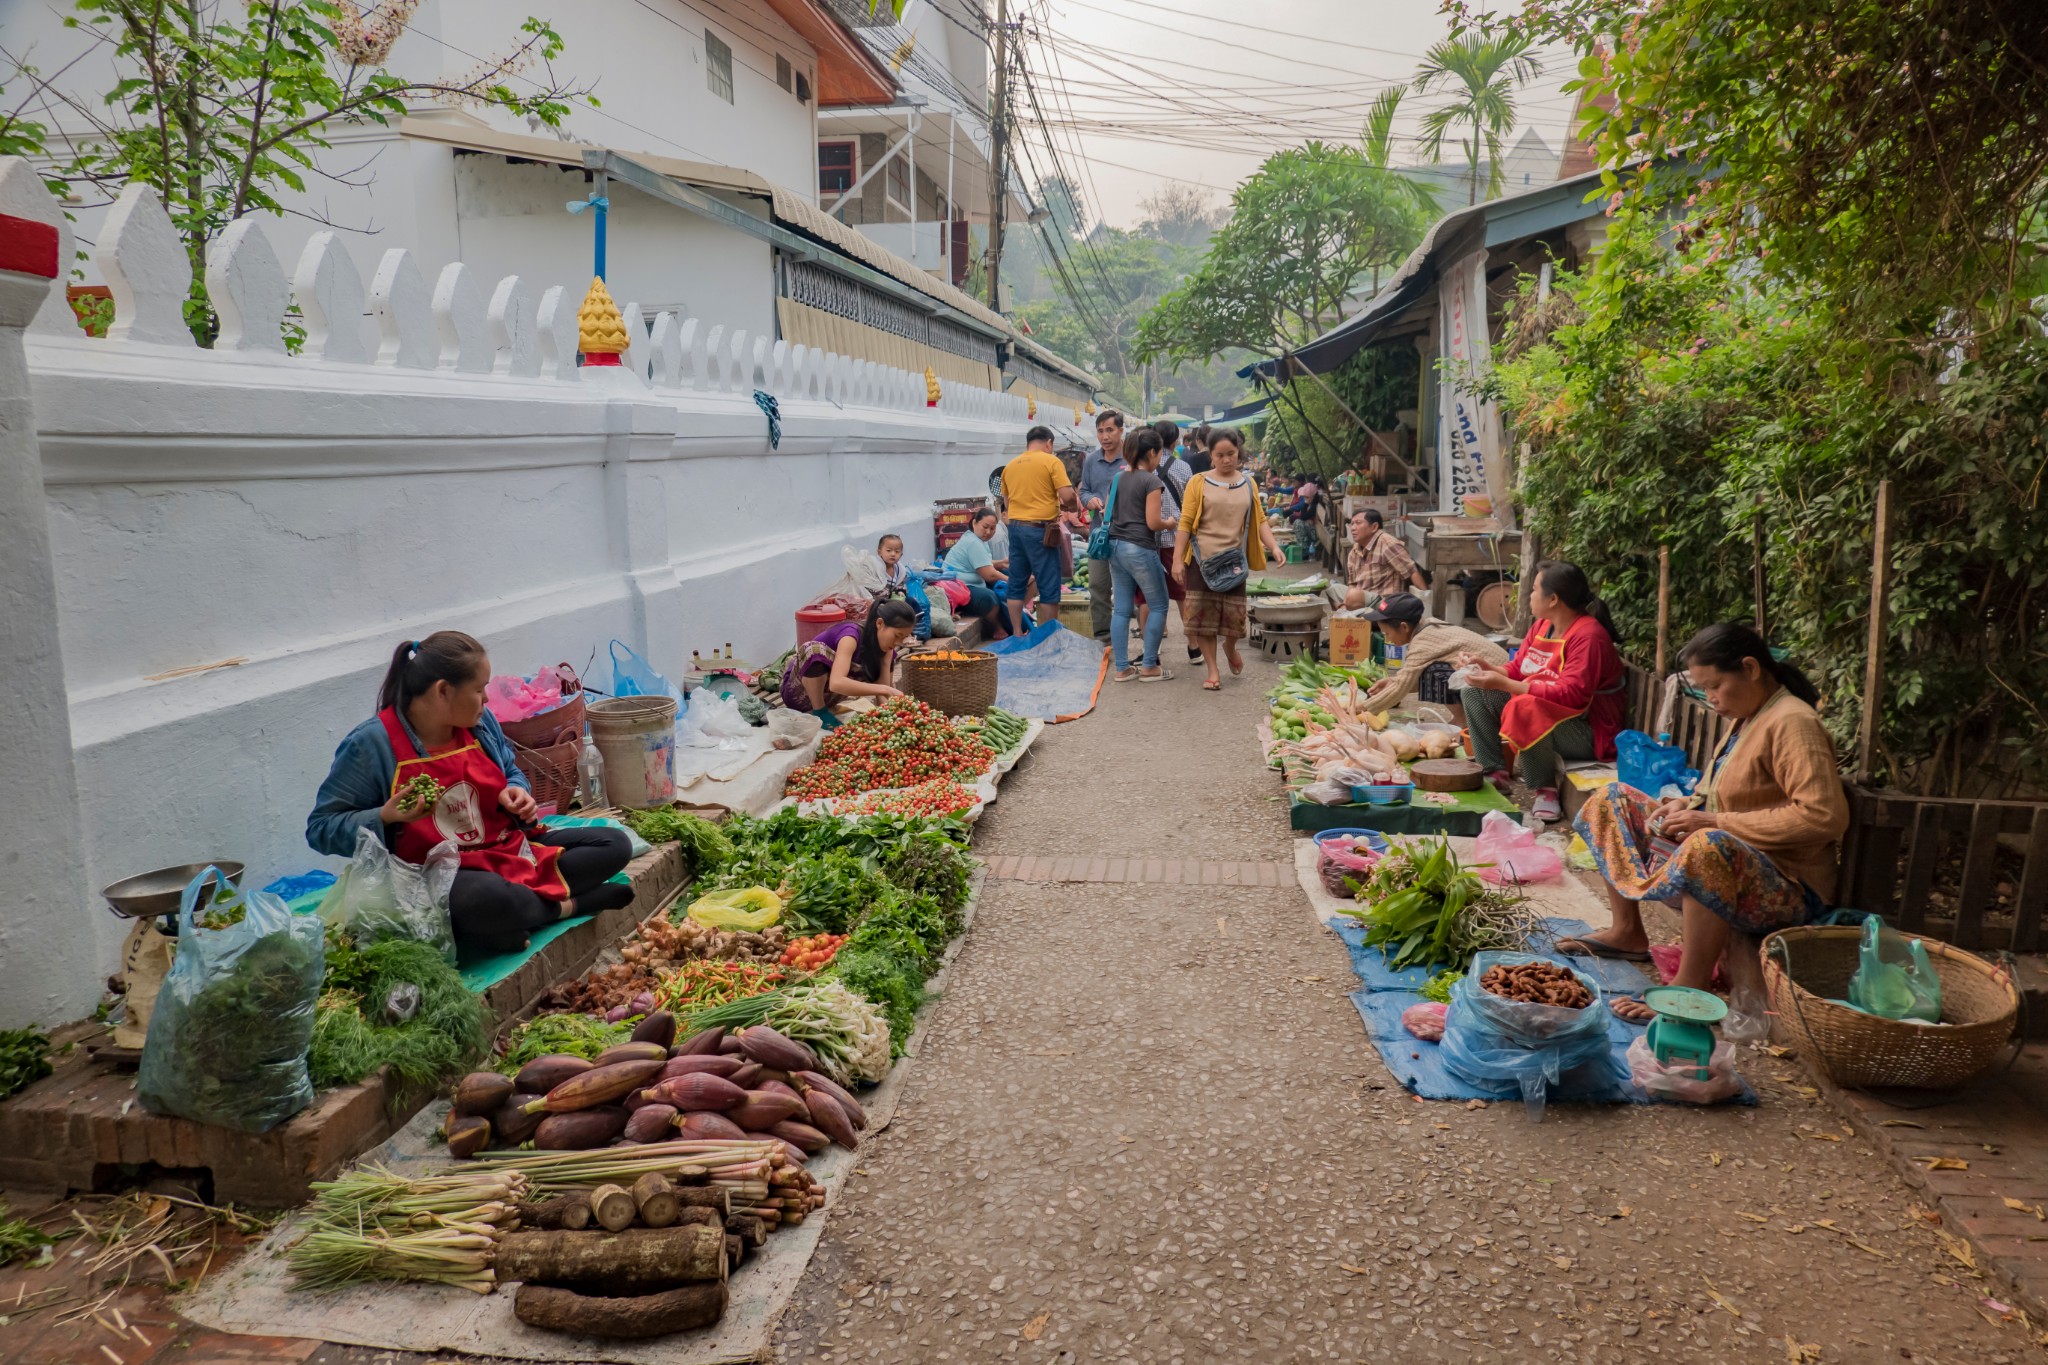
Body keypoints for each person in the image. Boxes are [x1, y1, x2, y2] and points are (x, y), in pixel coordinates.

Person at [1564, 623, 1850, 1022]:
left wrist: (1713, 820)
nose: (1712, 700)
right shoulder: (1751, 714)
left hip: (1787, 886)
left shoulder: (1793, 723)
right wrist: (1686, 803)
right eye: (1704, 690)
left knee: (1707, 844)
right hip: (1737, 861)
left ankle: (1690, 986)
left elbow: (1823, 816)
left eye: (1715, 686)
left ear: (1750, 668)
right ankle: (1627, 931)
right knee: (1611, 800)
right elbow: (1731, 791)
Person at [306, 632, 634, 960]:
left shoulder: (480, 724)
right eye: (479, 690)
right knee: (490, 900)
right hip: (439, 875)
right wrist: (385, 816)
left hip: (506, 849)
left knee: (615, 845)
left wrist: (517, 791)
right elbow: (321, 828)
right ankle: (566, 907)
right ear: (443, 691)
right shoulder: (371, 745)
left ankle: (508, 923)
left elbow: (510, 771)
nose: (488, 700)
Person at [1459, 561, 1627, 823]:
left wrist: (1506, 685)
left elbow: (1573, 695)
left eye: (1534, 590)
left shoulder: (1589, 635)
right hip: (1549, 716)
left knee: (1524, 707)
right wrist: (1486, 668)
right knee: (1474, 692)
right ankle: (1495, 773)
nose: (1528, 596)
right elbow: (1518, 670)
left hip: (1588, 731)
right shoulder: (1541, 626)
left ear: (1553, 599)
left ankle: (1544, 788)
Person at [1171, 428, 1282, 692]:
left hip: (1234, 562)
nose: (1225, 460)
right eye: (1219, 455)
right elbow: (1185, 524)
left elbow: (1260, 520)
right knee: (1205, 622)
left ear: (1238, 452)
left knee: (1234, 622)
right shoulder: (1198, 482)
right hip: (1202, 561)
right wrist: (1177, 560)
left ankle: (1230, 648)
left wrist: (1274, 547)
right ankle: (1212, 670)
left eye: (1230, 454)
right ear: (1211, 455)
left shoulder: (1248, 483)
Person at [1353, 593, 1508, 719]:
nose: (1387, 639)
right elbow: (1409, 679)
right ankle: (1463, 719)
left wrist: (1360, 710)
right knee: (1429, 670)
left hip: (1501, 692)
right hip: (1497, 682)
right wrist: (1392, 680)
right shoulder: (1428, 625)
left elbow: (1400, 688)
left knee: (1434, 671)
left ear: (1404, 627)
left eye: (1387, 633)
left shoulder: (1422, 643)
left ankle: (1464, 721)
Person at [1001, 425, 1084, 635]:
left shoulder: (1010, 466)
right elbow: (1066, 496)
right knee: (1048, 584)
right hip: (1040, 530)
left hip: (1016, 528)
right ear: (1049, 443)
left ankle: (1018, 633)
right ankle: (1047, 635)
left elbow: (1007, 503)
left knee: (1017, 582)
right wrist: (1073, 506)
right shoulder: (1051, 461)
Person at [1106, 428, 1174, 682]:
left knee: (1122, 610)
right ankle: (1148, 666)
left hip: (1115, 547)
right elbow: (1153, 522)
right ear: (1152, 452)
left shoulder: (1118, 479)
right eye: (1159, 453)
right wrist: (1170, 523)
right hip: (1139, 548)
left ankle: (1122, 668)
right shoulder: (1151, 481)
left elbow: (1109, 513)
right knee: (1158, 605)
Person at [780, 599, 916, 713]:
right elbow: (836, 683)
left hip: (831, 700)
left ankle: (824, 710)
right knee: (813, 650)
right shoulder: (850, 636)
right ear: (880, 624)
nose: (898, 642)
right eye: (897, 636)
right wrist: (885, 689)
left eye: (903, 638)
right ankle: (820, 711)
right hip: (797, 695)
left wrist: (892, 717)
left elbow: (883, 697)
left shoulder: (887, 649)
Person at [1077, 409, 1129, 644]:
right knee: (1098, 585)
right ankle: (1103, 636)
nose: (1105, 436)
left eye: (1110, 430)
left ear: (1121, 430)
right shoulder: (1091, 460)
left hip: (1127, 533)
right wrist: (1090, 500)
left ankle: (1124, 634)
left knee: (1126, 587)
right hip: (1099, 535)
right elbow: (1083, 489)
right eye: (1100, 431)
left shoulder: (1130, 459)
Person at [1152, 420, 1196, 661]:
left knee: (1151, 595)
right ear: (1175, 441)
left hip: (1149, 539)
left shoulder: (1143, 467)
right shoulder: (1184, 468)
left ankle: (1154, 647)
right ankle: (1194, 645)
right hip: (1176, 538)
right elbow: (1191, 504)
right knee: (1182, 594)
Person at [943, 507, 1013, 640]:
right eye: (985, 527)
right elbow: (989, 575)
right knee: (989, 598)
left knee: (1005, 572)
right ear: (975, 523)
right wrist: (1011, 580)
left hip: (973, 581)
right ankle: (997, 626)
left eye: (992, 529)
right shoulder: (973, 542)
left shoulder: (979, 539)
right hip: (959, 587)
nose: (988, 532)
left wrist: (1001, 563)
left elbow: (982, 562)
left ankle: (1017, 613)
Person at [1342, 508, 1427, 610]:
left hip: (1385, 603)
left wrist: (1426, 599)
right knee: (1333, 590)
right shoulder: (1354, 551)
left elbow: (1412, 571)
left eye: (1358, 523)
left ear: (1374, 527)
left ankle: (1357, 615)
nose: (1353, 528)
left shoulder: (1388, 543)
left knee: (1353, 596)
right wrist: (1344, 603)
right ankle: (1351, 614)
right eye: (1352, 524)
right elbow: (1352, 583)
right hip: (1365, 597)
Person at [1286, 479, 1326, 558]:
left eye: (1306, 497)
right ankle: (1304, 547)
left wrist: (1305, 504)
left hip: (1317, 534)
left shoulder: (1315, 505)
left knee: (1298, 522)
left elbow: (1302, 516)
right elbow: (1303, 516)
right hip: (1314, 530)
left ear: (1312, 497)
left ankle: (1304, 549)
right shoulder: (1313, 504)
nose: (1305, 499)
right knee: (1297, 521)